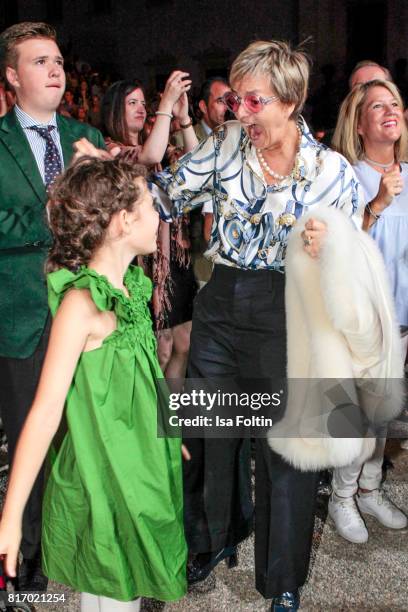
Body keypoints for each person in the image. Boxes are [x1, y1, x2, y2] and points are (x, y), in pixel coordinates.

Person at [152, 40, 365, 611]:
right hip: (221, 303)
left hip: (288, 311)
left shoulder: (331, 172)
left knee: (285, 451)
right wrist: (108, 186)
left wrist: (333, 247)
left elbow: (355, 264)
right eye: (235, 101)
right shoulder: (224, 146)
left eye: (254, 101)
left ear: (291, 101)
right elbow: (166, 197)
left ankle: (282, 580)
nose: (238, 112)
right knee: (207, 431)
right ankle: (211, 543)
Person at [0, 156, 188, 611]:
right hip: (104, 468)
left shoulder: (132, 287)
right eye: (149, 206)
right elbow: (44, 413)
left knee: (121, 582)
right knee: (110, 582)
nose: (158, 215)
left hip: (141, 456)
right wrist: (10, 516)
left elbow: (146, 366)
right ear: (123, 222)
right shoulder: (81, 306)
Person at [0, 21, 105, 592]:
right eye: (40, 61)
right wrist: (50, 215)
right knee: (29, 439)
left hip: (82, 312)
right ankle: (29, 557)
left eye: (59, 59)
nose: (55, 69)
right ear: (13, 76)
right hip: (20, 317)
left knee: (82, 435)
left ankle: (79, 542)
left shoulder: (85, 135)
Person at [331, 79, 408, 542]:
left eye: (394, 104)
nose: (388, 111)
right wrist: (377, 203)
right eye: (376, 106)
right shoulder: (348, 175)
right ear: (359, 125)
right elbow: (340, 246)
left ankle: (369, 487)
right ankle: (342, 495)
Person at [102, 76, 199, 379]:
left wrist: (183, 120)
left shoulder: (157, 143)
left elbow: (197, 162)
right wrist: (166, 106)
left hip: (174, 255)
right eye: (133, 103)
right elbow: (149, 158)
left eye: (144, 103)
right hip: (142, 262)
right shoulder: (109, 148)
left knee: (185, 341)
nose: (142, 109)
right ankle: (153, 419)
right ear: (115, 108)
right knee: (162, 348)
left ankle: (170, 416)